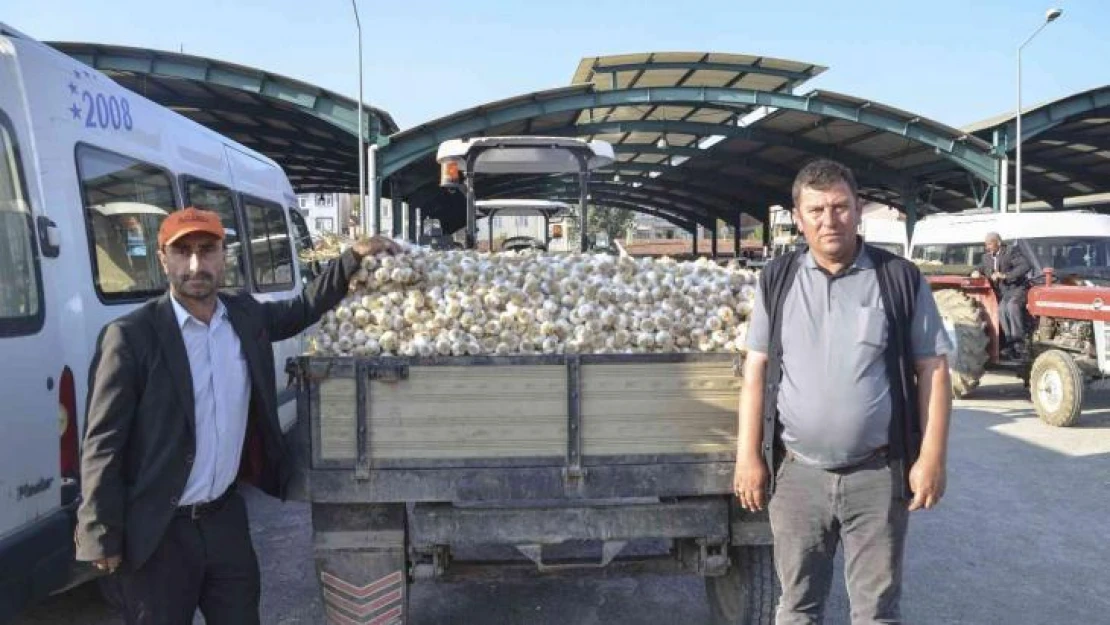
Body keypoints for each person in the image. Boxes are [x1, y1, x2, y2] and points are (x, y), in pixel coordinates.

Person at [75, 206, 401, 624]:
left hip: (223, 520)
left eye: (207, 250)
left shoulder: (243, 316)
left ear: (223, 255)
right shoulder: (131, 337)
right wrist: (99, 533)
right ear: (163, 259)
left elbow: (302, 308)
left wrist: (352, 258)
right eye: (183, 252)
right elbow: (102, 442)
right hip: (158, 530)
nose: (196, 264)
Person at [732, 159, 954, 625]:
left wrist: (931, 458)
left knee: (876, 611)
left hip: (876, 476)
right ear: (798, 217)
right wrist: (747, 457)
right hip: (796, 478)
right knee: (797, 606)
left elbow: (933, 368)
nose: (829, 220)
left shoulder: (899, 279)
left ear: (858, 211)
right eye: (816, 210)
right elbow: (756, 370)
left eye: (840, 207)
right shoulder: (778, 279)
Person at [973, 232, 1031, 358]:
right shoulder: (986, 257)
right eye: (986, 245)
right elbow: (980, 267)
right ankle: (1010, 344)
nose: (987, 247)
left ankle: (1020, 344)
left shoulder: (1011, 251)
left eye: (990, 244)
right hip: (1004, 292)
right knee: (1001, 310)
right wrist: (976, 272)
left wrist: (1005, 276)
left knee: (1012, 307)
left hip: (1017, 288)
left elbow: (1025, 266)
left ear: (998, 243)